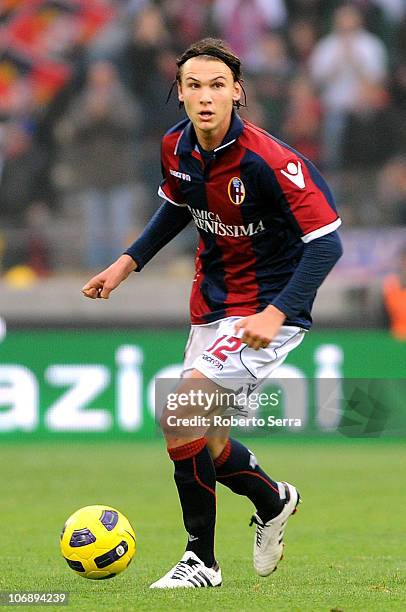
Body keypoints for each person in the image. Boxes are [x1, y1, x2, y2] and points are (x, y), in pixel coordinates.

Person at [82, 38, 343, 588]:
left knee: (179, 414)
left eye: (218, 85)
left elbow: (326, 243)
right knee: (207, 439)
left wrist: (278, 312)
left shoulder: (271, 161)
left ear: (237, 93)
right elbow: (178, 206)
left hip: (266, 310)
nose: (206, 96)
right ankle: (273, 501)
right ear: (178, 93)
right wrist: (126, 263)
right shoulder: (174, 147)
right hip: (211, 307)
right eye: (194, 85)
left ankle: (201, 559)